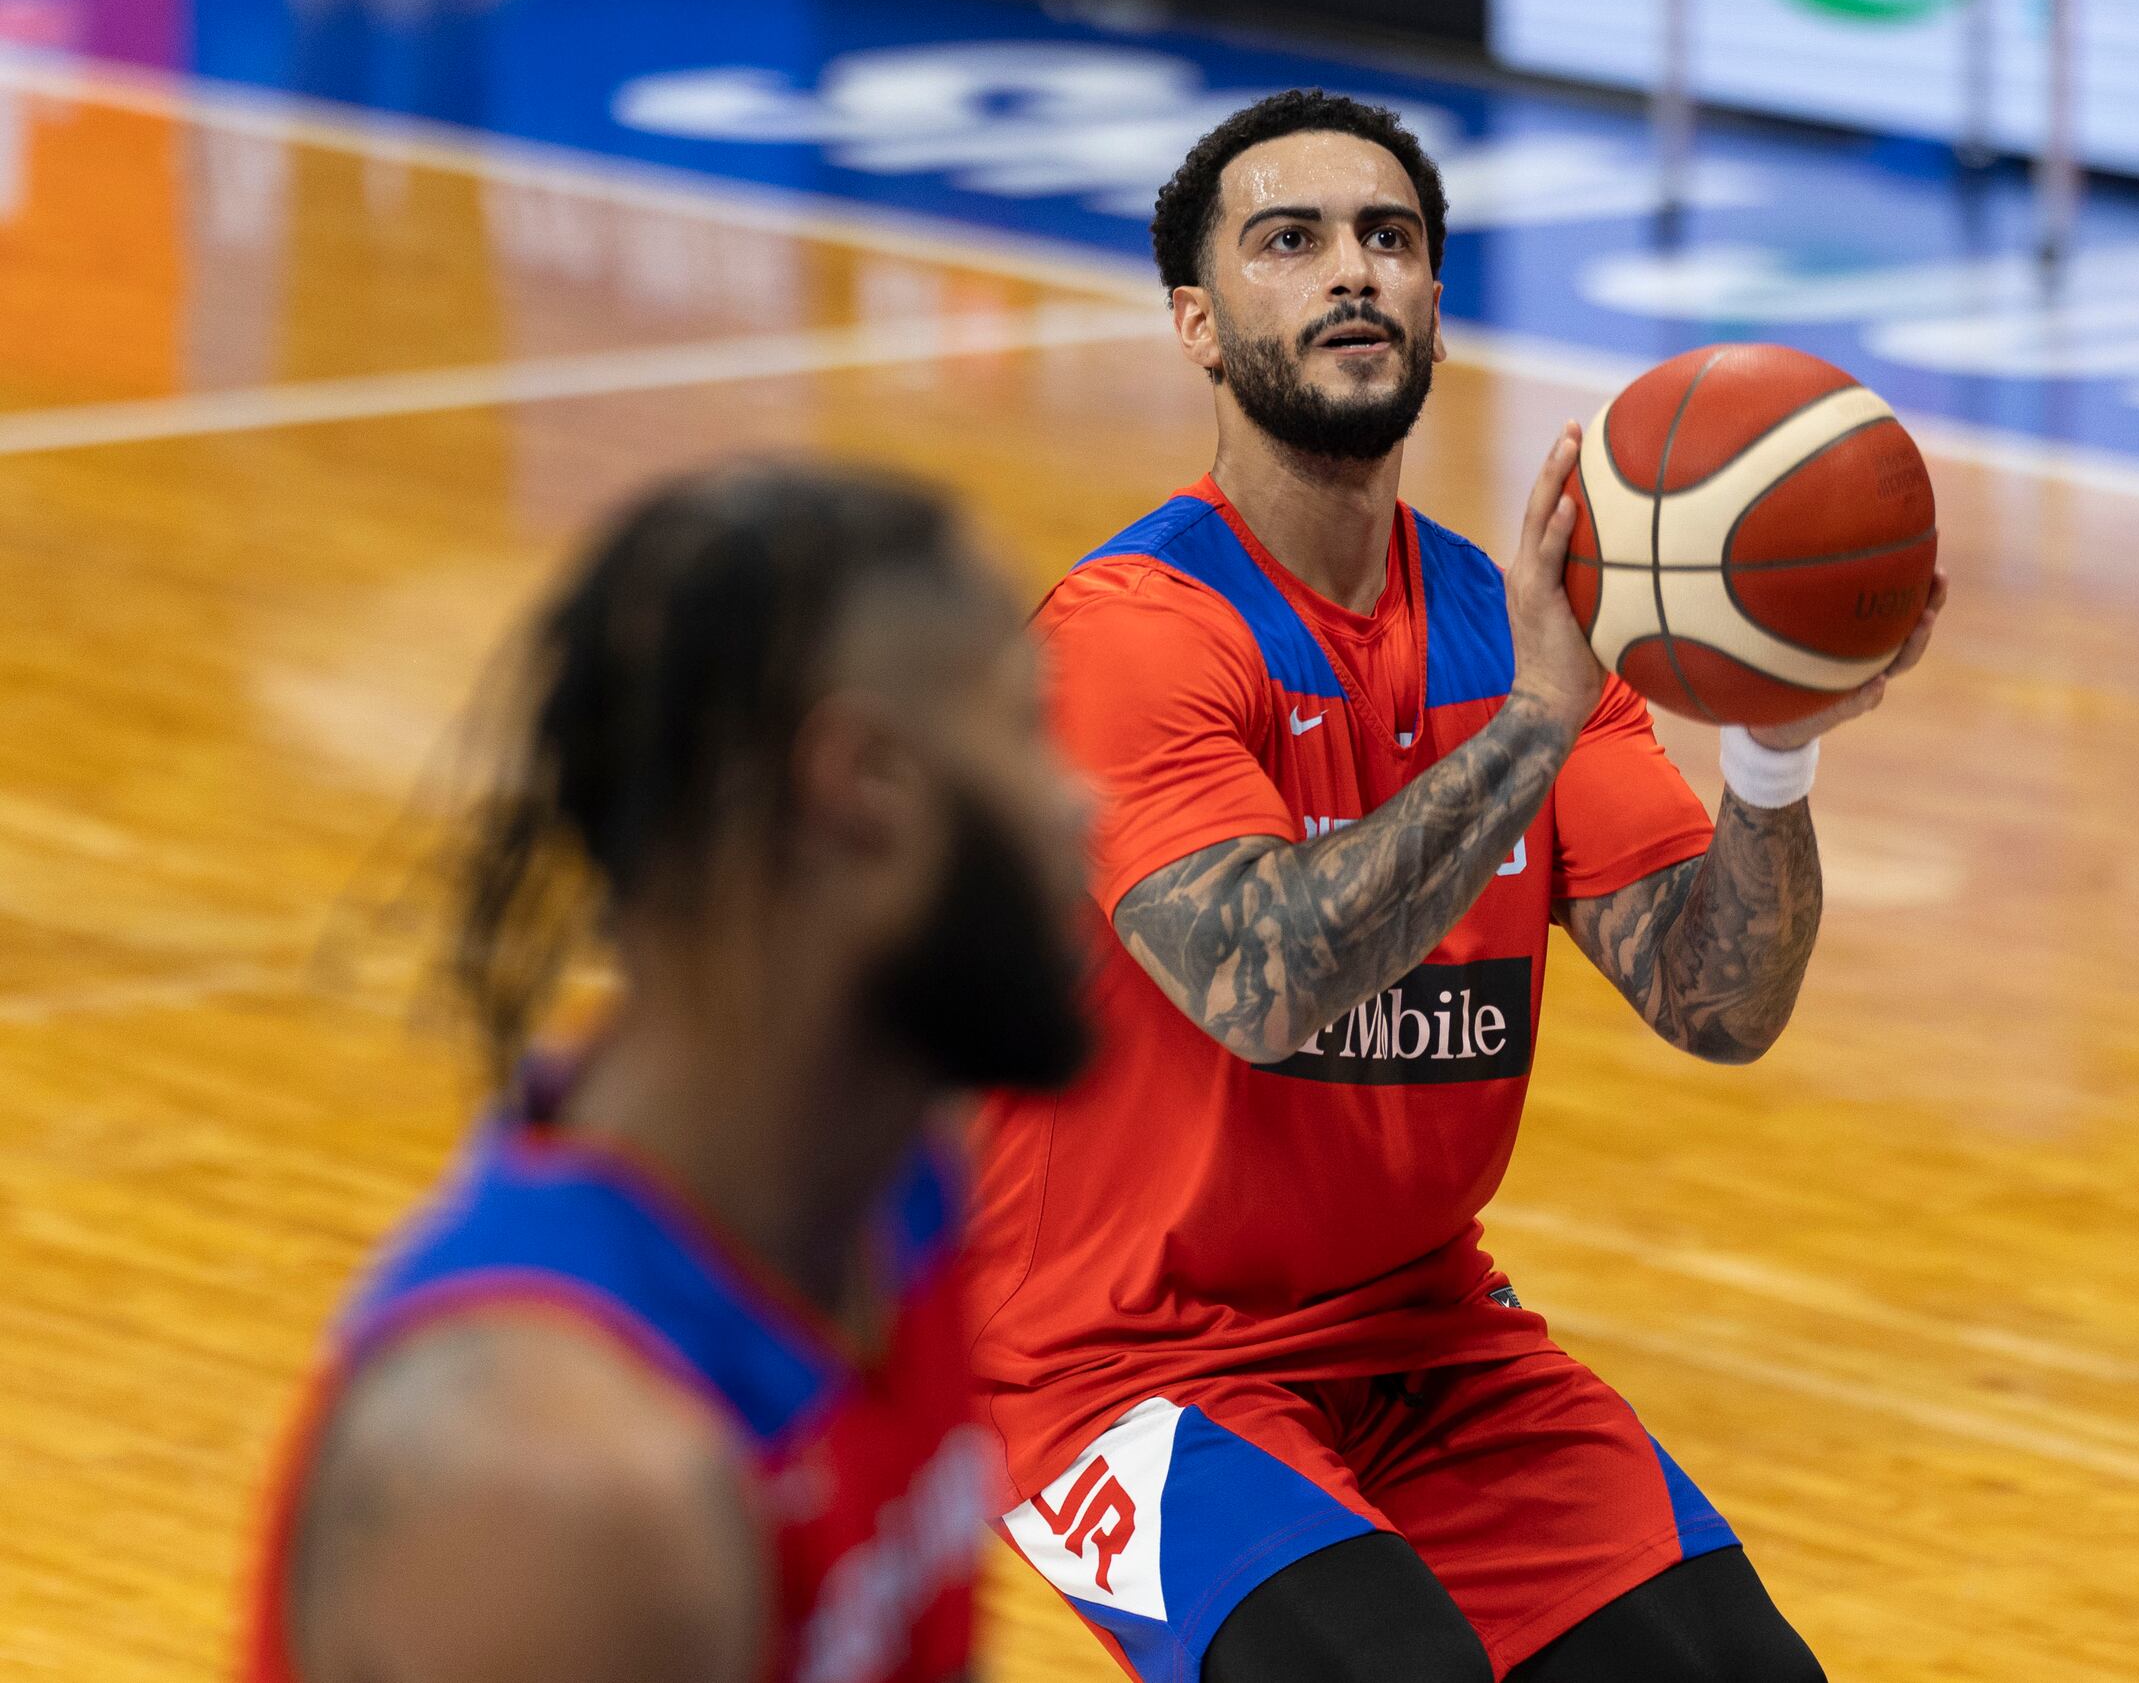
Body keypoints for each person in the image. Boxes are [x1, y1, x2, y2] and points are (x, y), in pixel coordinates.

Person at [966, 91, 1945, 1683]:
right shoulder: (1129, 633)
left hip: (1422, 1333)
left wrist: (1773, 752)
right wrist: (1538, 726)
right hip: (1121, 1366)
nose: (1353, 268)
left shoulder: (1514, 630)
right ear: (1200, 326)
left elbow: (1717, 1001)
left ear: (1432, 303)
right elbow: (1261, 982)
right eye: (1291, 240)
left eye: (1392, 239)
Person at [242, 461, 1095, 1683]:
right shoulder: (556, 1497)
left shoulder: (894, 1182)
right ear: (863, 790)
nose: (1082, 810)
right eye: (1026, 730)